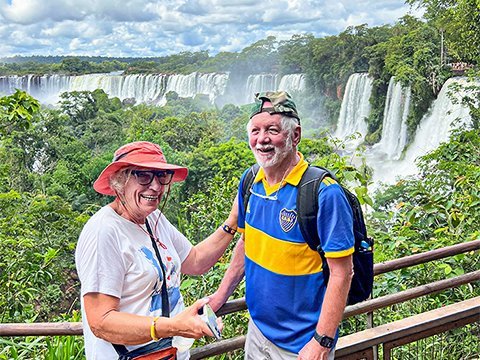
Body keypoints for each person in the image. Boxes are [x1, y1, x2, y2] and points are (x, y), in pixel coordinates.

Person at [209, 92, 354, 360]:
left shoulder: (323, 194)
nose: (261, 139)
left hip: (301, 346)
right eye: (255, 130)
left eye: (272, 130)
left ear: (295, 135)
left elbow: (342, 273)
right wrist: (220, 296)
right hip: (258, 333)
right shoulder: (250, 180)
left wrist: (321, 342)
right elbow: (247, 243)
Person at [75, 141, 238, 360]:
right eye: (143, 176)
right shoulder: (104, 232)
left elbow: (196, 261)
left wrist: (233, 222)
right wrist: (172, 327)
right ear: (119, 181)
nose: (155, 186)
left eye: (161, 176)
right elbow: (101, 321)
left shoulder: (153, 219)